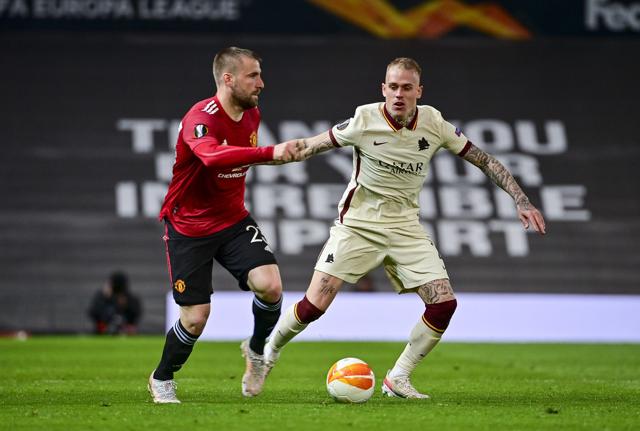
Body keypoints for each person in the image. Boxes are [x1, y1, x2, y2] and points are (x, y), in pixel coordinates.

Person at [262, 57, 546, 399]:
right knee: (314, 306)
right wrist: (258, 156)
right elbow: (312, 145)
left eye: (406, 88)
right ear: (383, 89)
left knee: (444, 304)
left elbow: (483, 159)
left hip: (405, 228)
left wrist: (522, 200)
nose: (398, 94)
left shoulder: (434, 123)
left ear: (418, 92)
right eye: (392, 87)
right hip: (358, 226)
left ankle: (398, 377)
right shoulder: (364, 118)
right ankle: (270, 346)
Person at [147, 47, 299, 404]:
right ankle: (162, 377)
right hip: (189, 227)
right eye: (253, 76)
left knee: (271, 286)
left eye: (260, 74)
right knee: (196, 318)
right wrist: (269, 153)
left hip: (232, 220)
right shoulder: (200, 117)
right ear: (228, 79)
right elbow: (211, 155)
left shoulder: (252, 114)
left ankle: (257, 351)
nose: (261, 83)